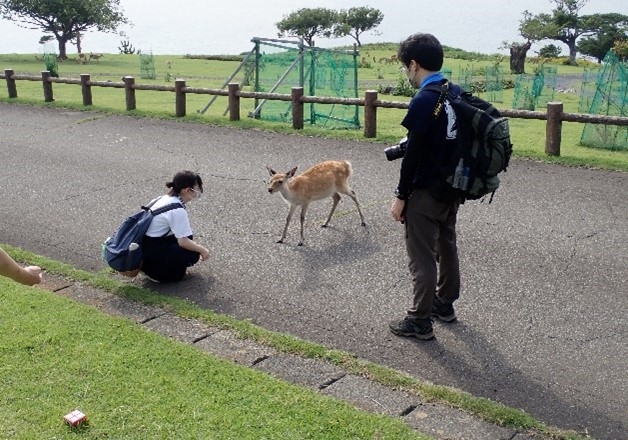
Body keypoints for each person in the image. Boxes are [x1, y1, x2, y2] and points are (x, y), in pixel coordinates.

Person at [388, 33, 462, 340]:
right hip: (453, 187)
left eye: (406, 67)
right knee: (446, 245)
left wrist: (400, 197)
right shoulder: (453, 91)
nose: (407, 73)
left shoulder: (424, 99)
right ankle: (444, 305)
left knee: (421, 255)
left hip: (425, 190)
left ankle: (420, 319)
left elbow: (414, 155)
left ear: (414, 64)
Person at [139, 170, 210, 283]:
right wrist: (203, 250)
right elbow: (183, 242)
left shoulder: (164, 198)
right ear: (188, 190)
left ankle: (150, 267)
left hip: (146, 248)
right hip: (153, 249)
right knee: (192, 253)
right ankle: (159, 273)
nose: (199, 191)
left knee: (185, 237)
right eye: (197, 188)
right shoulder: (177, 209)